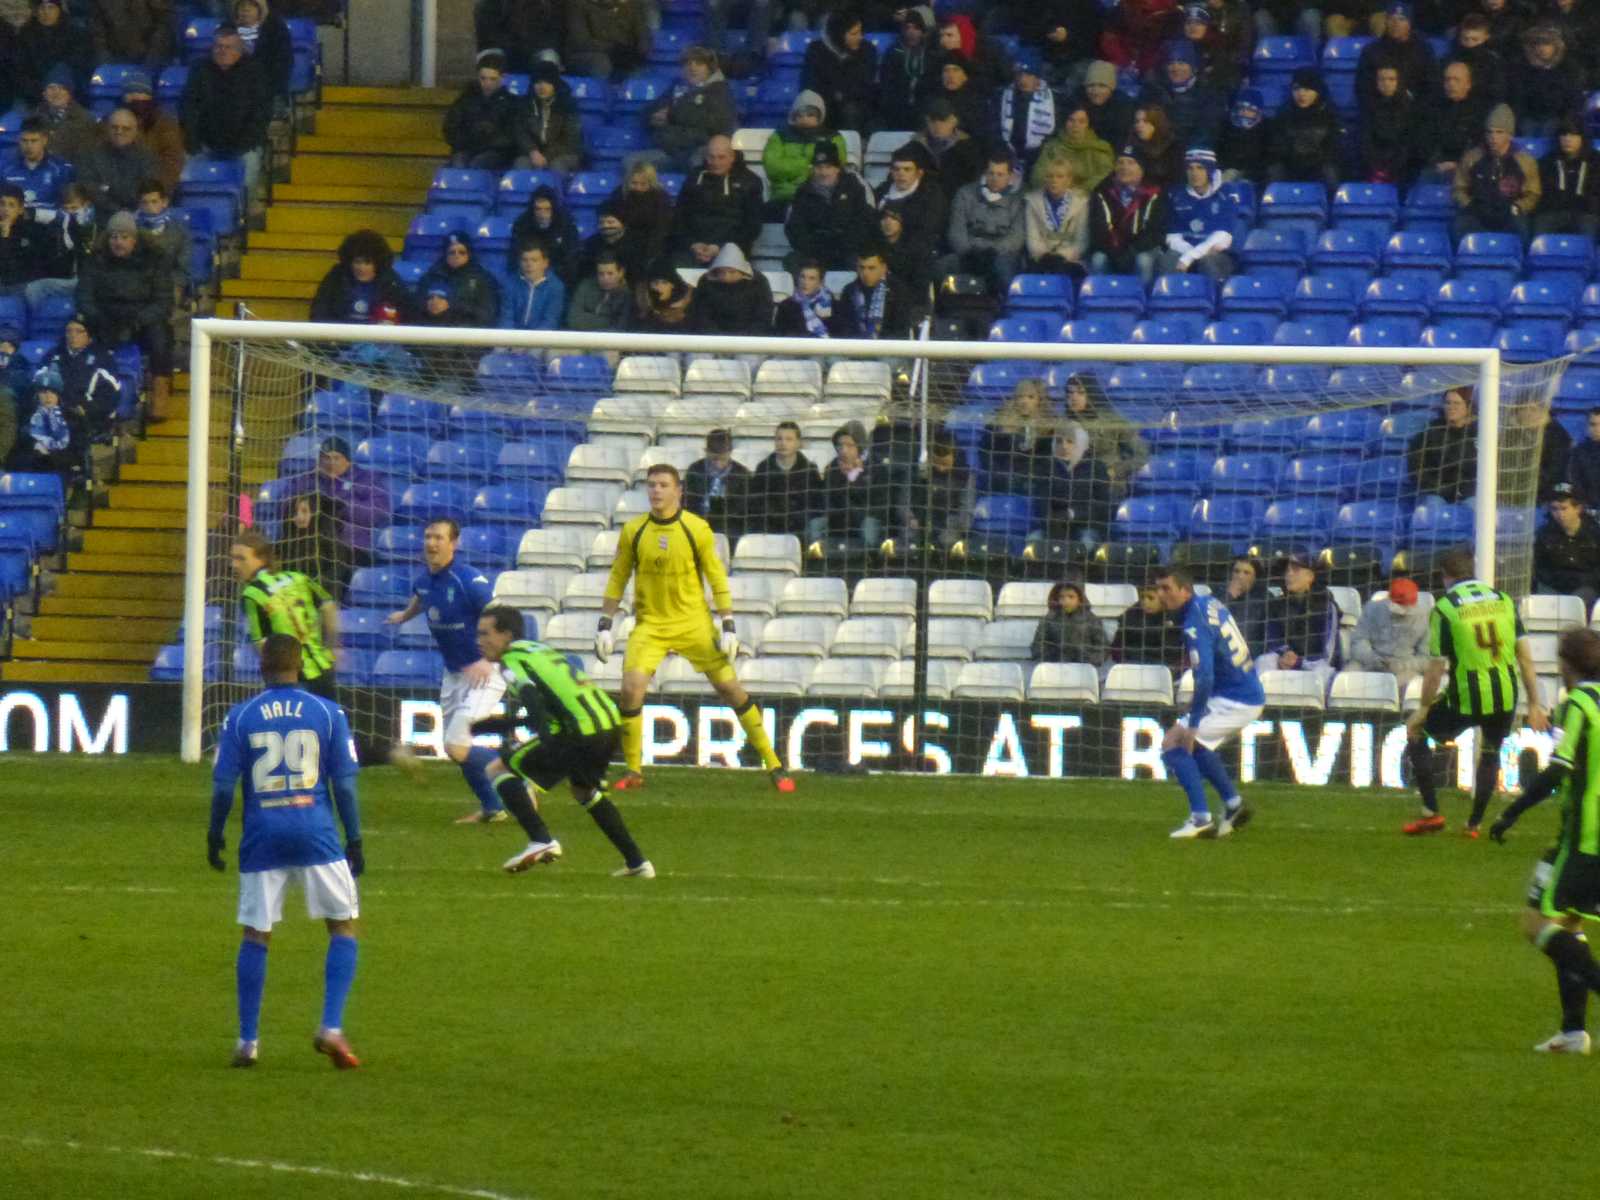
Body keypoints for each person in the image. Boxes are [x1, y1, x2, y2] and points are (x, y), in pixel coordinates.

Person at [208, 633, 364, 1070]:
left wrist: (215, 833)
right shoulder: (329, 713)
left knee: (257, 933)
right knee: (343, 925)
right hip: (316, 832)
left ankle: (247, 1041)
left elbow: (223, 786)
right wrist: (354, 838)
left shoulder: (240, 717)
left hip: (262, 836)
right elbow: (345, 784)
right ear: (301, 665)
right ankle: (330, 1026)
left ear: (261, 666)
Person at [596, 462, 795, 792]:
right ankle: (633, 771)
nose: (656, 491)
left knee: (730, 689)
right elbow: (618, 576)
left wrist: (728, 623)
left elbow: (716, 577)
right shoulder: (634, 530)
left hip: (694, 624)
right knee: (631, 688)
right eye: (651, 485)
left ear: (678, 491)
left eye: (663, 485)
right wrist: (605, 623)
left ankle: (773, 763)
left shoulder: (696, 529)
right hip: (651, 624)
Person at [469, 607, 654, 877]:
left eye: (485, 633)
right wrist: (510, 725)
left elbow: (529, 694)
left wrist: (544, 732)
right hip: (608, 721)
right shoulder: (538, 649)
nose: (479, 640)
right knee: (583, 790)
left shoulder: (510, 660)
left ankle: (540, 840)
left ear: (506, 635)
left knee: (498, 769)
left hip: (578, 729)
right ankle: (638, 863)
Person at [1485, 626, 1600, 1054]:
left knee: (1535, 925)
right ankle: (1573, 1032)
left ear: (1566, 665)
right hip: (1583, 835)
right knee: (1568, 925)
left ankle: (1575, 1029)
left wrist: (1511, 812)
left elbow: (1559, 769)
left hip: (1584, 836)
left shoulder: (1581, 704)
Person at [1404, 546, 1549, 837]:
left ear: (1445, 576)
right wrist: (1535, 703)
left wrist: (1423, 707)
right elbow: (1525, 657)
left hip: (1466, 696)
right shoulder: (1504, 600)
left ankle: (1431, 812)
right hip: (1506, 694)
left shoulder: (1446, 608)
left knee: (1414, 732)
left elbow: (1436, 667)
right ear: (1471, 571)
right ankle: (1474, 825)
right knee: (1490, 753)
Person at [384, 519, 510, 824]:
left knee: (457, 746)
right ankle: (493, 808)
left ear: (454, 543)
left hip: (484, 672)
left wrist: (488, 656)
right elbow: (422, 597)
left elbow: (500, 616)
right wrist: (405, 614)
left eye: (439, 537)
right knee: (454, 747)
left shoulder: (468, 580)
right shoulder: (425, 580)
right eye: (428, 537)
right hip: (454, 674)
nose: (431, 543)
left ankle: (516, 772)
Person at [1155, 562, 1265, 839]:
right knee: (1197, 746)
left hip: (1236, 698)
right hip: (1239, 690)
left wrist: (1192, 722)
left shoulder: (1194, 623)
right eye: (1158, 588)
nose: (1161, 594)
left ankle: (1201, 818)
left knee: (1174, 743)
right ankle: (1233, 805)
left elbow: (1204, 676)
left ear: (1185, 590)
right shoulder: (1209, 602)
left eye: (1167, 588)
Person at [75, 208, 175, 420]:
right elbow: (84, 298)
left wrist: (138, 320)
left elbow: (163, 301)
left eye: (124, 237)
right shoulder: (96, 260)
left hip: (141, 319)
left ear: (135, 239)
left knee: (161, 337)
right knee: (78, 330)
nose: (118, 242)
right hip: (105, 317)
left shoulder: (155, 259)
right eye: (114, 237)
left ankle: (159, 394)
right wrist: (99, 317)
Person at [231, 526, 340, 699]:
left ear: (261, 559)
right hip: (324, 669)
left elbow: (261, 643)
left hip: (289, 679)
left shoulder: (252, 594)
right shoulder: (298, 578)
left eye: (241, 558)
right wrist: (331, 646)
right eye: (233, 558)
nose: (234, 564)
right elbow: (328, 607)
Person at [179, 26, 273, 195]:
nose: (222, 51)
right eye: (218, 46)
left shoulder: (255, 72)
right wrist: (193, 140)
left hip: (243, 145)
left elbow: (261, 111)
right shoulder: (199, 69)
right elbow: (188, 107)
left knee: (249, 169)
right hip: (204, 143)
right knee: (185, 175)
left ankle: (242, 210)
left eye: (228, 47)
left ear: (239, 49)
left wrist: (246, 142)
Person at [669, 134, 763, 267]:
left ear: (732, 157)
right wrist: (692, 244)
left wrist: (720, 247)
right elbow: (679, 217)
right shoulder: (694, 178)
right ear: (706, 156)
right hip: (692, 249)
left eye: (721, 157)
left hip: (731, 249)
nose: (716, 162)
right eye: (711, 157)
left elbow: (752, 227)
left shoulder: (750, 182)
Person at [1453, 103, 1540, 244]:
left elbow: (1533, 193)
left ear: (1510, 135)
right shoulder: (1472, 157)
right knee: (1458, 226)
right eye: (1489, 132)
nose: (1493, 137)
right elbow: (1459, 188)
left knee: (1522, 230)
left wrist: (1517, 207)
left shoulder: (1525, 161)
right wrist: (1469, 205)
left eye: (1499, 132)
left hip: (1509, 213)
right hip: (1478, 211)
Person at [783, 141, 875, 273]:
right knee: (792, 261)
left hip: (848, 249)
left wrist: (845, 244)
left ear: (838, 168)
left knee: (864, 263)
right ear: (812, 168)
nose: (824, 172)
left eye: (828, 167)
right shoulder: (802, 192)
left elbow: (866, 219)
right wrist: (815, 247)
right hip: (815, 251)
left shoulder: (854, 186)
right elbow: (794, 228)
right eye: (819, 167)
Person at [1256, 552, 1341, 695]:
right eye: (1287, 570)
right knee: (1264, 661)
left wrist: (1300, 662)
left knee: (1323, 672)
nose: (1289, 574)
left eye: (1295, 569)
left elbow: (1328, 651)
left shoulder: (1326, 606)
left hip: (1315, 662)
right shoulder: (1276, 605)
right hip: (1285, 659)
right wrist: (1285, 653)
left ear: (1310, 577)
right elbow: (1272, 638)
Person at [645, 46, 737, 174]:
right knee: (632, 161)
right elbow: (649, 110)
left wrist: (672, 114)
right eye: (687, 64)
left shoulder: (719, 90)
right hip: (670, 150)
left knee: (698, 161)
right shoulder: (677, 87)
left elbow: (712, 124)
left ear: (709, 68)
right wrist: (654, 117)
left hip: (699, 149)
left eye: (699, 63)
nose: (692, 68)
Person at [1088, 144, 1168, 286]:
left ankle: (1142, 303)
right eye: (1120, 162)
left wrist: (1132, 251)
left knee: (1143, 260)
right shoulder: (1102, 191)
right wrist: (1114, 252)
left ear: (1141, 169)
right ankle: (1101, 304)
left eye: (1131, 163)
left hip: (1143, 249)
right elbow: (1098, 229)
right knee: (1098, 260)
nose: (1124, 167)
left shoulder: (1154, 193)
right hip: (1111, 250)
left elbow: (1155, 232)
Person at [763, 90, 849, 213]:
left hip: (821, 197)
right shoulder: (779, 136)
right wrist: (807, 165)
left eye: (811, 113)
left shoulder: (833, 137)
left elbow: (837, 168)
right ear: (794, 114)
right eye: (800, 113)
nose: (805, 117)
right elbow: (772, 168)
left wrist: (793, 171)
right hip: (785, 197)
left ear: (820, 115)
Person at [1161, 146, 1237, 280]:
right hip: (1184, 251)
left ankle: (1215, 298)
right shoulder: (1176, 195)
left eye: (1200, 168)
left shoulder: (1226, 193)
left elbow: (1223, 236)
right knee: (1168, 259)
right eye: (1190, 168)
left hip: (1217, 254)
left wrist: (1190, 257)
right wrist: (1189, 254)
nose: (1194, 173)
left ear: (1210, 170)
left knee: (1208, 261)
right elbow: (1172, 236)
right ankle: (1170, 298)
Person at [1065, 370, 1146, 493]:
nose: (1074, 397)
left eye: (1081, 392)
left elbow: (1141, 454)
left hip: (1108, 485)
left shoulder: (1111, 421)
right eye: (1070, 392)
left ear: (1091, 394)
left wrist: (1116, 470)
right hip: (1071, 484)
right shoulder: (1062, 424)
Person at [309, 228, 412, 324]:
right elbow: (319, 311)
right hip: (339, 339)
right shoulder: (336, 277)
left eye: (367, 263)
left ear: (377, 263)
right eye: (357, 262)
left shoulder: (391, 282)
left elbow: (407, 313)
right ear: (349, 262)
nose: (361, 268)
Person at [1349, 574, 1431, 693]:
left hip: (1405, 668)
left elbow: (1426, 657)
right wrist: (1373, 659)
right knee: (1348, 678)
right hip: (1370, 661)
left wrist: (1402, 665)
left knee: (1403, 688)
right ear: (1389, 599)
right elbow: (1358, 641)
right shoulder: (1372, 608)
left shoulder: (1425, 617)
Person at [1139, 39, 1225, 152]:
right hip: (1154, 152)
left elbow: (1206, 134)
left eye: (1182, 63)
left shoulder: (1209, 96)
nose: (1175, 68)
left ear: (1194, 68)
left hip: (1189, 155)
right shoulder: (1153, 90)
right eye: (1171, 63)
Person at [874, 143, 948, 270]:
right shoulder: (881, 191)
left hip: (915, 257)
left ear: (919, 173)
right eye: (896, 169)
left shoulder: (931, 195)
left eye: (907, 169)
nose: (901, 174)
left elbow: (927, 231)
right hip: (879, 254)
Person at [1266, 68, 1343, 191]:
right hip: (1291, 165)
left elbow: (1334, 148)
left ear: (1317, 91)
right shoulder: (1284, 114)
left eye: (1307, 89)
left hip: (1319, 166)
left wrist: (1315, 159)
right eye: (1296, 89)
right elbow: (1277, 147)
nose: (1301, 94)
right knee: (1274, 170)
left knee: (1330, 171)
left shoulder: (1330, 114)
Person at [1034, 421, 1111, 543]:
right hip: (1053, 525)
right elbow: (1040, 499)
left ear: (1081, 444)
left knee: (1086, 542)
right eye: (1059, 441)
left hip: (1086, 526)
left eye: (1070, 441)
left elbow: (1103, 507)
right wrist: (1051, 517)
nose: (1064, 446)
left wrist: (1072, 514)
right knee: (1033, 540)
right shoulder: (1047, 467)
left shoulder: (1096, 468)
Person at [443, 51, 521, 171]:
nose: (487, 83)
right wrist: (468, 141)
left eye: (492, 79)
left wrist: (489, 140)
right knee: (458, 164)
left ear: (503, 78)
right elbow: (450, 127)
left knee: (478, 164)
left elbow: (513, 135)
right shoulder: (466, 99)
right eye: (483, 78)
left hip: (498, 153)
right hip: (467, 148)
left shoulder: (512, 103)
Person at [77, 107, 160, 218]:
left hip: (138, 217)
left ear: (135, 131)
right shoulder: (91, 155)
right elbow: (91, 189)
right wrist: (117, 209)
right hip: (102, 217)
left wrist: (108, 188)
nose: (119, 132)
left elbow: (147, 190)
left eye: (125, 128)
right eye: (114, 127)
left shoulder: (146, 157)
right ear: (108, 129)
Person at [802, 11, 877, 134]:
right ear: (839, 34)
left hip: (858, 107)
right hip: (825, 104)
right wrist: (835, 95)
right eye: (854, 34)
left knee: (850, 110)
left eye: (860, 32)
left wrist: (841, 95)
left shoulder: (868, 50)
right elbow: (809, 84)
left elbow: (865, 86)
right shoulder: (816, 50)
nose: (860, 37)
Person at [1506, 21, 1583, 139]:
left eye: (1547, 44)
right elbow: (1518, 98)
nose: (1542, 48)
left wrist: (1565, 119)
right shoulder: (1522, 68)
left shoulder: (1568, 69)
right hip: (1528, 119)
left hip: (1557, 119)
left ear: (1556, 46)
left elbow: (1574, 98)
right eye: (1538, 44)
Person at [814, 419, 885, 545]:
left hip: (866, 518)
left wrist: (854, 478)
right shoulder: (832, 468)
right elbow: (827, 500)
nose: (843, 450)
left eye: (849, 445)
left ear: (860, 446)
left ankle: (869, 560)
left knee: (869, 527)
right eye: (840, 445)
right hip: (839, 518)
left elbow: (877, 503)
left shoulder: (876, 467)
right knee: (816, 524)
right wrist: (844, 478)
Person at [981, 377, 1058, 493]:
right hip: (1001, 480)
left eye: (1030, 397)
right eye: (1020, 397)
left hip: (1035, 483)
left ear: (1039, 400)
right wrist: (1005, 434)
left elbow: (1046, 460)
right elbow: (986, 454)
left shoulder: (1049, 426)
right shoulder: (998, 422)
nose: (1024, 402)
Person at [900, 432, 974, 549]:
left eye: (945, 464)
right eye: (936, 462)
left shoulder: (965, 476)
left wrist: (954, 524)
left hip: (949, 525)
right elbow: (904, 502)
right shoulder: (917, 472)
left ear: (955, 457)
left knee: (946, 540)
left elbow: (966, 509)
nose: (940, 468)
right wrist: (910, 518)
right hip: (919, 522)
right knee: (910, 540)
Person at [1356, 1, 1437, 107]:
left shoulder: (1423, 50)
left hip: (1414, 113)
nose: (1396, 24)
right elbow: (1362, 89)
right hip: (1381, 111)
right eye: (1391, 19)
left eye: (1401, 19)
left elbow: (1431, 87)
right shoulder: (1371, 51)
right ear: (1386, 22)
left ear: (1409, 23)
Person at [1534, 482, 1600, 611]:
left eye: (1564, 508)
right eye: (1554, 509)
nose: (1559, 514)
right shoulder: (1544, 534)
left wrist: (1585, 581)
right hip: (1554, 588)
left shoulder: (1595, 534)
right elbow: (1540, 567)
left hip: (1588, 588)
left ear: (1578, 508)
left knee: (1578, 602)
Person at [416, 231, 501, 329]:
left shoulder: (483, 279)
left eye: (462, 252)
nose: (456, 255)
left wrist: (452, 305)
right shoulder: (431, 277)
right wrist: (430, 308)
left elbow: (488, 314)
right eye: (452, 252)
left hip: (468, 335)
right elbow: (416, 308)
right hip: (434, 333)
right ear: (445, 255)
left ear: (469, 254)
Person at [119, 70, 185, 195]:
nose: (135, 97)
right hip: (121, 191)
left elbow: (172, 161)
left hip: (156, 193)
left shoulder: (166, 124)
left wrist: (154, 190)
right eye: (130, 93)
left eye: (140, 92)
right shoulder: (111, 122)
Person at [1407, 385, 1477, 502]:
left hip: (1470, 495)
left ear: (1468, 406)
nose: (1451, 407)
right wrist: (1444, 490)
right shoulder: (1430, 433)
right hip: (1437, 494)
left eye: (1456, 403)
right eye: (1448, 403)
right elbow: (1416, 469)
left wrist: (1466, 491)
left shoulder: (1479, 434)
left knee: (1474, 506)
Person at [1426, 59, 1492, 182]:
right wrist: (1437, 163)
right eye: (1447, 79)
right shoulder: (1433, 110)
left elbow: (1481, 146)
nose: (1451, 84)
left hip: (1469, 168)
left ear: (1468, 84)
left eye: (1456, 80)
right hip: (1437, 167)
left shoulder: (1481, 112)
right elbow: (1427, 142)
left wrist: (1459, 164)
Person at [833, 245, 918, 339]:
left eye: (871, 268)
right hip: (856, 348)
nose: (865, 273)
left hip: (889, 349)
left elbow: (901, 329)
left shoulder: (898, 291)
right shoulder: (849, 291)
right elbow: (844, 328)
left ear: (883, 268)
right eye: (862, 268)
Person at [748, 420, 818, 536]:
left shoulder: (810, 471)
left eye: (789, 439)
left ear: (798, 443)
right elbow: (755, 504)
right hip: (767, 528)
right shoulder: (763, 468)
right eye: (779, 439)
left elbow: (814, 505)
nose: (783, 443)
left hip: (799, 529)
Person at [1535, 116, 1600, 239]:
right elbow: (1545, 194)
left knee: (1589, 228)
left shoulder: (1596, 161)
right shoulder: (1547, 161)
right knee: (1541, 225)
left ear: (1582, 138)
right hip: (1555, 212)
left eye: (1573, 135)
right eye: (1563, 135)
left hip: (1586, 213)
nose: (1567, 139)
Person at [688, 242, 773, 336]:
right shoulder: (707, 282)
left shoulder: (758, 282)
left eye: (731, 272)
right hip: (712, 338)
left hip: (750, 339)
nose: (726, 276)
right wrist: (715, 337)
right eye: (722, 272)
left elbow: (764, 314)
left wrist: (746, 337)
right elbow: (700, 313)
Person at [1024, 157, 1090, 277]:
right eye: (1050, 176)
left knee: (1066, 271)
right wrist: (1045, 256)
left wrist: (1062, 256)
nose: (1054, 180)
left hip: (1070, 259)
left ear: (1069, 179)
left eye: (1060, 176)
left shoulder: (1081, 203)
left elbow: (1081, 242)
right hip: (1041, 259)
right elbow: (1032, 238)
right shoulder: (1032, 201)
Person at [514, 61, 584, 175]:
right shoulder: (525, 104)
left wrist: (547, 156)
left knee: (557, 165)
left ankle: (558, 192)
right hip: (534, 153)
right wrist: (532, 151)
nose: (541, 87)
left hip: (564, 153)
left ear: (555, 83)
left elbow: (571, 139)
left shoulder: (567, 105)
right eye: (537, 82)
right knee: (521, 164)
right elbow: (520, 132)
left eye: (547, 82)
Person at [1359, 64, 1423, 186]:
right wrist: (1376, 167)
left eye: (1391, 79)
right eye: (1382, 79)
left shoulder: (1411, 109)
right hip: (1374, 167)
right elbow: (1365, 140)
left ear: (1399, 82)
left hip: (1403, 168)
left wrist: (1394, 166)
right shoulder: (1368, 108)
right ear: (1376, 82)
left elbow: (1410, 141)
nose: (1386, 83)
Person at [684, 427, 752, 539]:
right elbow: (688, 503)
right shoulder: (695, 471)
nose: (718, 464)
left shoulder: (742, 475)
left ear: (730, 452)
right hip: (698, 524)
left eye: (723, 458)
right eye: (714, 459)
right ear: (706, 451)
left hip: (730, 529)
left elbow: (743, 511)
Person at [878, 5, 937, 132]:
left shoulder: (931, 54)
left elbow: (933, 85)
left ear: (924, 31)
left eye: (916, 28)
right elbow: (886, 84)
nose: (911, 32)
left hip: (923, 108)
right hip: (897, 108)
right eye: (907, 27)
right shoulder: (893, 52)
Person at [998, 56, 1059, 176]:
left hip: (1041, 157)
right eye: (1019, 75)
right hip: (1006, 155)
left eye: (1028, 75)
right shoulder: (1002, 96)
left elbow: (1054, 134)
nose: (1022, 80)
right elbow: (994, 129)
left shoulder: (1054, 100)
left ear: (1037, 78)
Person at [1032, 104, 1113, 193]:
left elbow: (1105, 175)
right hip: (1053, 194)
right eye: (1071, 120)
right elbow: (1038, 176)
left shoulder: (1098, 148)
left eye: (1081, 121)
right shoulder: (1052, 146)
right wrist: (1059, 189)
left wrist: (1079, 191)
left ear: (1088, 124)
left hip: (1087, 197)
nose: (1076, 125)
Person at [31, 66, 100, 170]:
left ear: (70, 93)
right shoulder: (32, 119)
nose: (56, 93)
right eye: (51, 88)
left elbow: (87, 159)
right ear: (44, 93)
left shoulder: (85, 120)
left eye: (62, 88)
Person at [564, 0, 652, 80]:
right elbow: (581, 42)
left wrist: (640, 50)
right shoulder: (577, 4)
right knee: (601, 62)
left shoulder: (631, 4)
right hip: (588, 55)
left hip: (624, 55)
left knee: (639, 68)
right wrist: (613, 48)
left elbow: (643, 33)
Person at [1030, 578, 1110, 665]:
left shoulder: (1092, 620)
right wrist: (1053, 658)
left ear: (1080, 599)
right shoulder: (1049, 619)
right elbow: (1037, 646)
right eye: (1061, 597)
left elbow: (1103, 647)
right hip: (1055, 667)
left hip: (1084, 668)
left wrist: (1089, 659)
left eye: (1071, 597)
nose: (1066, 601)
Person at [134, 178, 194, 294]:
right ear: (139, 204)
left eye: (154, 201)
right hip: (136, 286)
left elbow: (183, 269)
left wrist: (165, 285)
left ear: (164, 202)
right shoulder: (131, 229)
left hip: (168, 286)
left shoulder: (180, 232)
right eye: (144, 202)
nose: (149, 207)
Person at [0, 118, 75, 209]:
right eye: (24, 141)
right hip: (15, 222)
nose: (29, 146)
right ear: (19, 140)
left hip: (50, 221)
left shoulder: (62, 169)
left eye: (34, 141)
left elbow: (69, 207)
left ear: (44, 140)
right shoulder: (5, 168)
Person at [912, 97, 984, 190]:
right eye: (933, 121)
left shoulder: (969, 149)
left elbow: (975, 184)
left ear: (954, 121)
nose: (938, 126)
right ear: (927, 121)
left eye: (943, 120)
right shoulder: (914, 147)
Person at [1111, 580, 1182, 670]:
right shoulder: (1131, 614)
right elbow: (1118, 645)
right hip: (1132, 663)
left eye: (1150, 598)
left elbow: (1175, 652)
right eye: (1142, 597)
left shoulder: (1176, 617)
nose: (1145, 602)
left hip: (1165, 664)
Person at [24, 365, 78, 484]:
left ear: (58, 395)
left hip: (62, 469)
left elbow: (77, 449)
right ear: (37, 395)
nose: (48, 396)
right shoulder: (27, 417)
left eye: (53, 392)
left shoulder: (71, 417)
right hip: (34, 471)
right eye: (43, 392)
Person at [499, 239, 565, 332]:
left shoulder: (556, 287)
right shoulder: (509, 284)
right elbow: (506, 318)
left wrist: (529, 342)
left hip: (542, 340)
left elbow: (550, 322)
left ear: (545, 263)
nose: (529, 265)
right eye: (525, 260)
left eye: (534, 260)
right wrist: (514, 340)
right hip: (512, 338)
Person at [565, 250, 632, 334]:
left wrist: (587, 317)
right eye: (601, 274)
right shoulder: (586, 286)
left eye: (610, 274)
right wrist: (607, 321)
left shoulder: (626, 295)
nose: (605, 279)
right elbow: (573, 319)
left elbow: (618, 329)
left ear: (621, 272)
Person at [0, 184, 48, 297]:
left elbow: (13, 269)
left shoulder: (31, 231)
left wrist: (5, 236)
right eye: (2, 204)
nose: (5, 209)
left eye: (11, 205)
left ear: (21, 209)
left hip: (22, 286)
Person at [1074, 58, 1134, 148]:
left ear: (1111, 88)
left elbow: (1120, 141)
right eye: (1091, 85)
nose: (1095, 92)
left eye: (1102, 86)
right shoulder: (1076, 100)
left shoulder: (1123, 107)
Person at [631, 257, 699, 332]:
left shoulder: (689, 309)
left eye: (664, 282)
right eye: (655, 283)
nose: (659, 288)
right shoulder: (644, 311)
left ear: (673, 285)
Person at [1221, 554, 1270, 657]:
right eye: (1236, 571)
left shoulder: (1265, 599)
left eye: (1246, 573)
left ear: (1256, 577)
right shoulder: (1219, 596)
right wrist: (1228, 597)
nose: (1240, 576)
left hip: (1251, 655)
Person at [1218, 87, 1268, 185]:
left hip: (1255, 174)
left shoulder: (1266, 129)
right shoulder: (1225, 126)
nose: (1245, 112)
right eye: (1242, 108)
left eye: (1250, 110)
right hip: (1228, 170)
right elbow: (1219, 152)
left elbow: (1268, 157)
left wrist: (1249, 173)